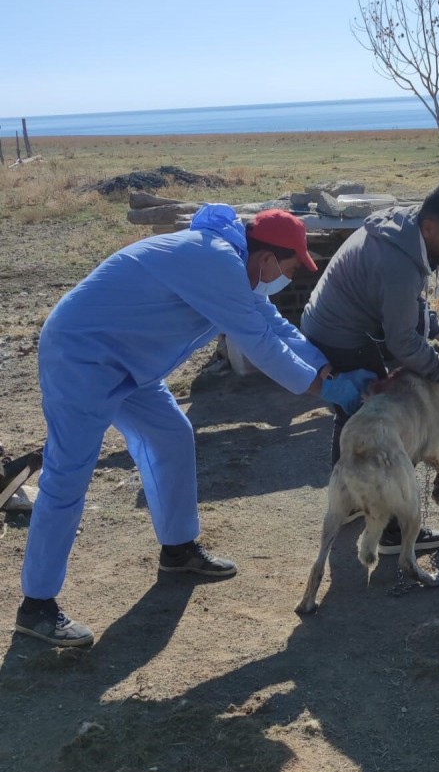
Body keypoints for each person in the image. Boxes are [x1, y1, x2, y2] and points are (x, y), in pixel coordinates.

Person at [15, 204, 375, 647]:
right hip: (82, 356)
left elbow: (274, 325)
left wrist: (328, 371)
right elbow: (260, 343)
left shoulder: (234, 269)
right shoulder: (214, 259)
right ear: (265, 259)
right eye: (286, 266)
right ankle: (36, 606)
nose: (286, 276)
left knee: (170, 437)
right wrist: (325, 392)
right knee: (68, 474)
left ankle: (178, 549)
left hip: (130, 364)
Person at [301, 181, 439, 555]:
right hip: (343, 335)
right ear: (430, 226)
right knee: (391, 426)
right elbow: (402, 343)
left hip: (325, 321)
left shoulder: (403, 229)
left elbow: (411, 304)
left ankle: (352, 501)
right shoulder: (401, 262)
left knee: (355, 415)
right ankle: (392, 532)